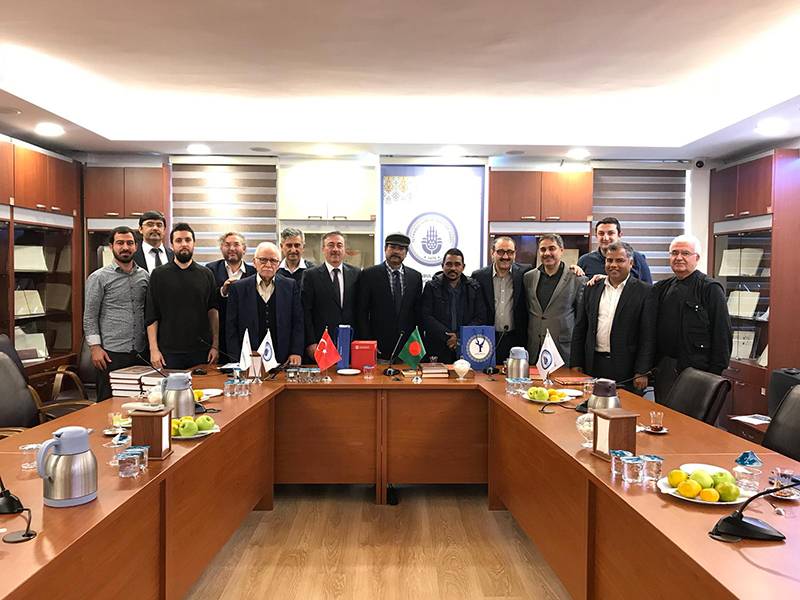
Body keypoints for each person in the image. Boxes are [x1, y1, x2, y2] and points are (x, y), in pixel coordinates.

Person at [652, 234, 732, 400]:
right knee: (663, 413)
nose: (679, 257)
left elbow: (722, 334)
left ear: (697, 258)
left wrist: (714, 374)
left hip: (699, 370)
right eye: (674, 253)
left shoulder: (710, 289)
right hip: (665, 367)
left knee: (693, 414)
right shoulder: (662, 288)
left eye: (685, 253)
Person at [570, 242, 655, 393]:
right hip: (593, 364)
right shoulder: (592, 288)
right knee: (590, 405)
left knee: (625, 406)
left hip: (627, 369)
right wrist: (576, 363)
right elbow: (580, 328)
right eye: (609, 260)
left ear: (631, 263)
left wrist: (642, 371)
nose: (613, 265)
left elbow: (648, 336)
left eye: (620, 260)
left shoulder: (645, 291)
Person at [83, 226, 149, 400]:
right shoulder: (98, 277)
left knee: (139, 402)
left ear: (136, 246)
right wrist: (95, 348)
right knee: (109, 404)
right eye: (120, 243)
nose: (125, 247)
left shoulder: (144, 276)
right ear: (111, 246)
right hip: (111, 354)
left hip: (140, 352)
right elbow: (90, 316)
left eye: (130, 243)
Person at [145, 223, 219, 370]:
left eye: (188, 240)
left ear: (194, 243)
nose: (184, 244)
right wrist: (154, 350)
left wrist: (215, 346)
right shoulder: (158, 275)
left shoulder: (206, 274)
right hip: (168, 353)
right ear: (172, 245)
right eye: (178, 240)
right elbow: (152, 315)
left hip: (202, 351)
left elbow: (213, 311)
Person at [226, 242, 304, 366]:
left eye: (273, 260)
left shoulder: (290, 286)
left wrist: (296, 352)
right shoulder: (238, 288)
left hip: (283, 359)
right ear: (254, 262)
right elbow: (231, 327)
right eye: (263, 260)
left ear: (278, 264)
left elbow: (298, 322)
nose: (268, 265)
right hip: (249, 359)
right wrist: (237, 358)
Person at [356, 233, 423, 361]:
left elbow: (417, 313)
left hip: (408, 348)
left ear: (406, 253)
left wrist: (417, 342)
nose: (396, 252)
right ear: (385, 249)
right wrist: (368, 342)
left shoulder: (415, 277)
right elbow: (361, 312)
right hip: (379, 347)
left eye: (401, 248)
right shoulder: (369, 275)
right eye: (392, 247)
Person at [524, 233, 587, 364]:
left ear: (561, 250)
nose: (547, 253)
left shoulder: (577, 279)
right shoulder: (529, 277)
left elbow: (581, 319)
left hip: (563, 349)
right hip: (534, 348)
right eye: (543, 249)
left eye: (552, 248)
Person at [471, 236, 532, 364]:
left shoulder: (526, 273)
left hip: (517, 339)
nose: (505, 256)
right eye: (500, 252)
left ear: (515, 254)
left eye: (510, 252)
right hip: (487, 339)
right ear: (492, 253)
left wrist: (574, 270)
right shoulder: (479, 276)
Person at [421, 248, 488, 364]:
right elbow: (425, 316)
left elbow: (480, 317)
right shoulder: (431, 287)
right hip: (437, 346)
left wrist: (459, 336)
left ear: (463, 267)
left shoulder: (474, 287)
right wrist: (447, 336)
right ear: (442, 266)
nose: (453, 268)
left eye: (457, 264)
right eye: (449, 264)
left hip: (466, 345)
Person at [302, 231, 361, 359]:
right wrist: (311, 342)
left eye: (339, 245)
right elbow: (306, 312)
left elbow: (361, 309)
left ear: (344, 250)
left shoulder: (356, 274)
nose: (335, 249)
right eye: (330, 245)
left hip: (350, 342)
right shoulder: (310, 275)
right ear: (323, 249)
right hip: (322, 343)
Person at [205, 232, 256, 358]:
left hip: (245, 334)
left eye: (236, 245)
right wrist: (223, 291)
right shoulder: (210, 269)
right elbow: (207, 300)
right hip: (219, 333)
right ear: (221, 248)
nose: (232, 248)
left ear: (244, 249)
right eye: (227, 245)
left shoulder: (253, 272)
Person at [577, 217, 653, 283]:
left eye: (610, 233)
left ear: (619, 235)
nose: (605, 238)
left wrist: (607, 280)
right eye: (601, 233)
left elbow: (647, 288)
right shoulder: (585, 260)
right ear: (596, 236)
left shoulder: (636, 258)